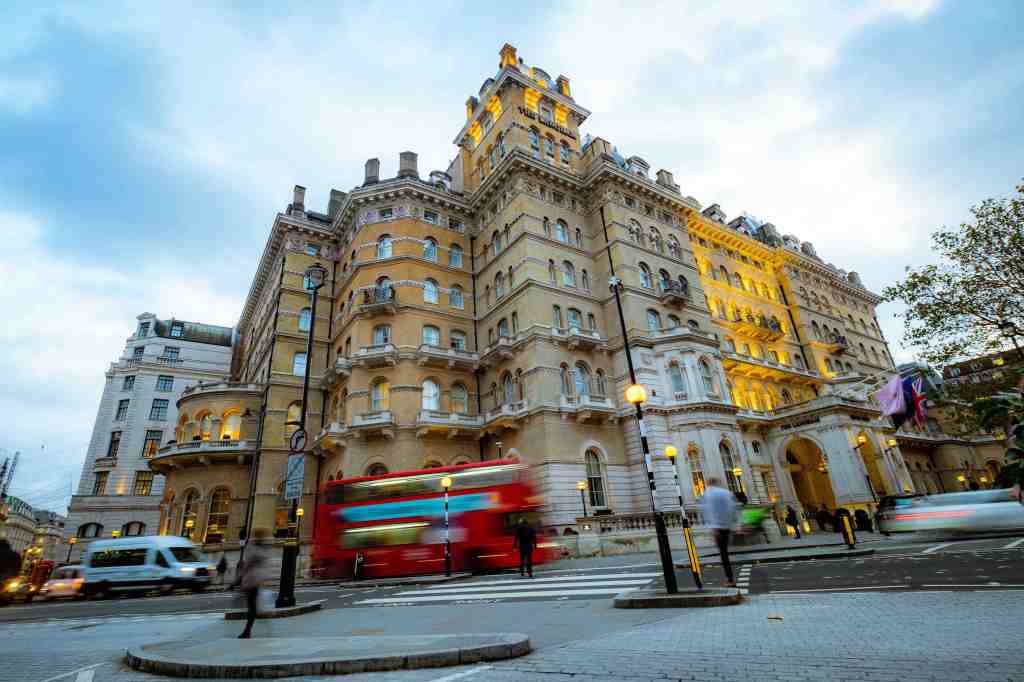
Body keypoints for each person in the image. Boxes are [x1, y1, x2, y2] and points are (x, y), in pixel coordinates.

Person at [234, 527, 271, 639]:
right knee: (253, 605)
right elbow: (264, 564)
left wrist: (238, 579)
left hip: (251, 579)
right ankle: (249, 629)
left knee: (251, 606)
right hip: (258, 579)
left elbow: (247, 565)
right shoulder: (264, 548)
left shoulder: (252, 547)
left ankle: (247, 631)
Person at [701, 477, 738, 587]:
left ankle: (730, 579)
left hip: (717, 527)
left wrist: (713, 527)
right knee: (725, 552)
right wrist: (736, 524)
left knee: (723, 554)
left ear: (709, 483)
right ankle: (730, 579)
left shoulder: (708, 494)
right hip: (727, 527)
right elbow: (733, 508)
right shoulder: (726, 493)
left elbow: (708, 511)